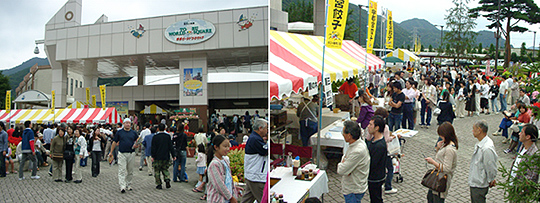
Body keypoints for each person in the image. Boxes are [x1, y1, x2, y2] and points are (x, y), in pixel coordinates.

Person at [424, 122, 458, 203]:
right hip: (438, 177)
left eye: (441, 135)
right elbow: (441, 159)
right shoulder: (445, 144)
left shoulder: (450, 149)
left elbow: (447, 168)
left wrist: (433, 162)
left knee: (437, 199)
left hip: (442, 179)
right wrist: (438, 149)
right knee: (430, 197)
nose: (440, 137)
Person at [337, 120, 370, 203]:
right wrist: (345, 162)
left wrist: (343, 163)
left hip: (353, 189)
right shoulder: (357, 144)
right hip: (355, 187)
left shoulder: (357, 151)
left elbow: (341, 170)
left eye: (343, 132)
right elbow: (345, 158)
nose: (342, 134)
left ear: (349, 135)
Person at [468, 120, 498, 203]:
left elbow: (490, 166)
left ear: (479, 130)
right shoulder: (481, 142)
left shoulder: (486, 148)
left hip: (479, 183)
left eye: (473, 129)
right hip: (476, 180)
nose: (472, 131)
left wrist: (491, 179)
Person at [207, 135, 242, 203]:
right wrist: (231, 198)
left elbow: (228, 179)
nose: (228, 149)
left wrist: (234, 188)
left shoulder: (225, 161)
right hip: (218, 200)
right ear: (216, 147)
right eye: (225, 146)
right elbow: (219, 185)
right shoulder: (214, 164)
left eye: (228, 146)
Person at [109, 118, 139, 193]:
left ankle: (129, 184)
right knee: (122, 170)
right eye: (126, 123)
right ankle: (122, 186)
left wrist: (137, 145)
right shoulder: (119, 132)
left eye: (129, 123)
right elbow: (114, 142)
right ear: (123, 124)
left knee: (130, 170)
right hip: (122, 153)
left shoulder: (133, 132)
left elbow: (138, 140)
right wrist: (111, 152)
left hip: (131, 153)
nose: (128, 124)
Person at [242, 119, 268, 203]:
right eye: (266, 128)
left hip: (252, 174)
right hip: (256, 176)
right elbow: (265, 151)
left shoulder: (254, 137)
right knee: (263, 199)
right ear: (260, 128)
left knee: (247, 199)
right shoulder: (255, 139)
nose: (267, 131)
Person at [365, 115, 388, 203]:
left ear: (377, 128)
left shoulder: (379, 146)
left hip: (375, 177)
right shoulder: (374, 139)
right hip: (374, 176)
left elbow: (372, 163)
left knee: (376, 199)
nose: (368, 126)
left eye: (370, 125)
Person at [151, 123, 176, 189]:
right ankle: (167, 179)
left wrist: (152, 156)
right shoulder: (167, 137)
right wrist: (173, 155)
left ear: (158, 129)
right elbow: (171, 147)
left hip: (157, 156)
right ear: (165, 128)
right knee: (165, 169)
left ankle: (159, 184)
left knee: (157, 171)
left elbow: (153, 147)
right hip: (166, 156)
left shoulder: (155, 137)